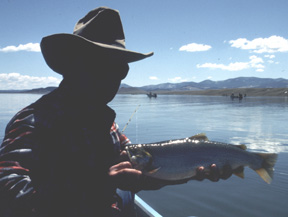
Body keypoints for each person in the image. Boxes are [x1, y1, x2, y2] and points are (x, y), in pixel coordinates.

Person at [0, 7, 232, 217]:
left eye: (120, 69)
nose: (112, 77)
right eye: (99, 65)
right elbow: (7, 188)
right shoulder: (34, 121)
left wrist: (189, 171)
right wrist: (97, 184)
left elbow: (139, 178)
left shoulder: (107, 126)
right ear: (72, 66)